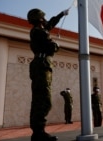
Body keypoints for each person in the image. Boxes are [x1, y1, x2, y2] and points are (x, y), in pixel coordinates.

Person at [27, 8, 69, 141]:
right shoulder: (39, 32)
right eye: (43, 17)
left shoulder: (39, 30)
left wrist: (61, 14)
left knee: (40, 99)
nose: (45, 19)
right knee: (44, 100)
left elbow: (50, 23)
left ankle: (38, 132)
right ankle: (39, 133)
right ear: (40, 19)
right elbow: (51, 47)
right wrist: (56, 45)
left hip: (41, 65)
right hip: (42, 66)